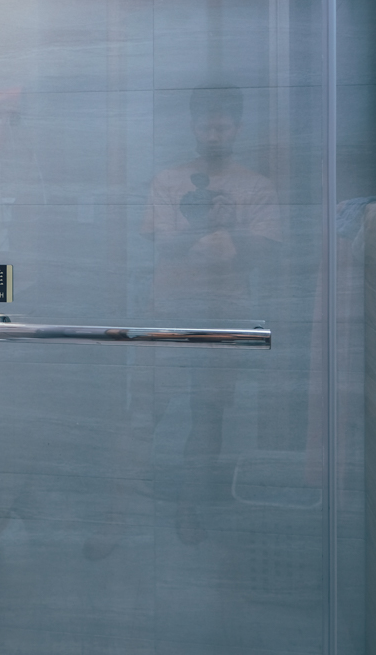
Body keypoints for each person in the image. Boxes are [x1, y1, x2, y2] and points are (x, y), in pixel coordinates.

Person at [144, 86, 282, 545]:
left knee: (208, 414)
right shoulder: (167, 180)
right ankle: (116, 512)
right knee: (147, 408)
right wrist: (211, 231)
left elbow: (262, 253)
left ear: (237, 128)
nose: (214, 133)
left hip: (225, 313)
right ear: (193, 126)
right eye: (206, 124)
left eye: (222, 125)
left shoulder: (256, 186)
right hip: (167, 308)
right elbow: (162, 245)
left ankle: (189, 508)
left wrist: (215, 237)